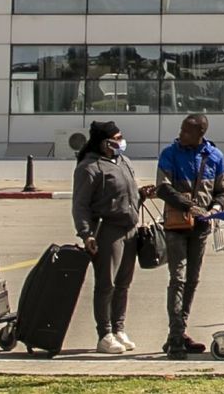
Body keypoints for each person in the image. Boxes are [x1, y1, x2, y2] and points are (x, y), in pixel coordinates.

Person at [156, 114, 224, 359]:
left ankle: (179, 331)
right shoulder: (170, 154)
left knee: (192, 280)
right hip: (176, 226)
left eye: (187, 131)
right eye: (182, 130)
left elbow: (221, 190)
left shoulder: (215, 157)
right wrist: (189, 207)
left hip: (201, 227)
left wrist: (215, 209)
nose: (182, 134)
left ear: (201, 134)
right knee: (178, 279)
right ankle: (176, 337)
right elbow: (163, 188)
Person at [72, 120, 148, 354]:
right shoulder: (89, 167)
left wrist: (141, 196)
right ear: (104, 142)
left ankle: (119, 328)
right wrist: (86, 234)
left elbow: (128, 193)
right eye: (116, 138)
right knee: (107, 284)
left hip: (130, 229)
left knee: (123, 284)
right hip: (108, 231)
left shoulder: (123, 162)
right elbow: (81, 205)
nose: (121, 141)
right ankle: (104, 334)